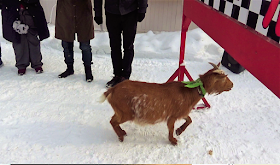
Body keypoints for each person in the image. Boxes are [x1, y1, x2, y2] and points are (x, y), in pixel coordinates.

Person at [94, 0, 148, 88]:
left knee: (128, 46)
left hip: (130, 12)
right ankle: (117, 74)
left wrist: (142, 10)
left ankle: (125, 76)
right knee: (115, 47)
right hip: (111, 13)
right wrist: (98, 13)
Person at [1, 0, 49, 75]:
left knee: (33, 39)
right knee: (18, 42)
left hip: (31, 11)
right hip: (13, 12)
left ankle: (37, 64)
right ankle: (21, 65)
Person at [55, 0, 95, 82]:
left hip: (83, 12)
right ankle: (69, 68)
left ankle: (88, 70)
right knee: (66, 43)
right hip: (66, 11)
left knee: (85, 45)